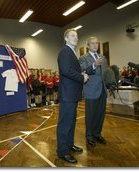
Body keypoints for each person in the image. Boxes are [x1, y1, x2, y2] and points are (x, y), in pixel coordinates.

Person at [56, 28, 89, 163]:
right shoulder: (65, 51)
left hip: (73, 94)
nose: (76, 37)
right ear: (66, 39)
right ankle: (62, 151)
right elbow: (65, 70)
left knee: (71, 121)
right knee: (65, 124)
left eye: (76, 36)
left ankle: (69, 144)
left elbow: (72, 70)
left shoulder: (72, 52)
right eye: (72, 36)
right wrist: (82, 77)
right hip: (67, 94)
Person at [79, 37, 108, 147]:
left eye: (97, 43)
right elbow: (82, 71)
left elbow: (105, 73)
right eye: (92, 43)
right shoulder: (83, 58)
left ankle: (97, 133)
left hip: (103, 91)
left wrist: (110, 84)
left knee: (101, 114)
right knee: (91, 114)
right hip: (91, 90)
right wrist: (94, 65)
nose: (95, 45)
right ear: (88, 45)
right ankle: (89, 135)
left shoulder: (103, 57)